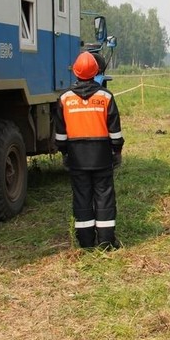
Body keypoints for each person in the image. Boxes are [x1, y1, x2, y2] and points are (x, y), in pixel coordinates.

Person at [55, 51, 124, 249]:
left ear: (75, 73)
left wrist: (65, 154)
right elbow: (115, 132)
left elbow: (60, 134)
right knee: (104, 197)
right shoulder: (106, 97)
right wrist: (116, 152)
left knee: (82, 197)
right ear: (96, 72)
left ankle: (85, 242)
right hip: (102, 156)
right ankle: (105, 242)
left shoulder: (65, 99)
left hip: (77, 157)